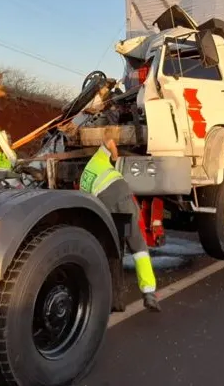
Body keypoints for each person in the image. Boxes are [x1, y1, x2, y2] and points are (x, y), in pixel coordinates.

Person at [79, 132, 160, 312]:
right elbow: (109, 141)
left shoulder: (84, 181)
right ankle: (149, 293)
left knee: (114, 251)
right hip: (122, 198)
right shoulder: (97, 159)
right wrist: (115, 158)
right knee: (138, 247)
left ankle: (115, 301)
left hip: (105, 206)